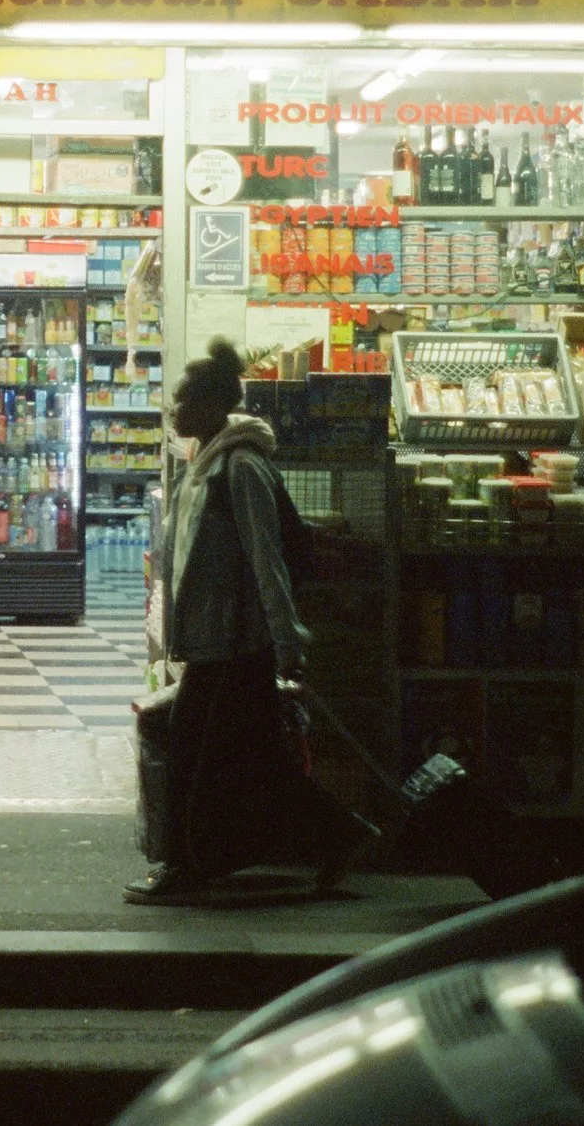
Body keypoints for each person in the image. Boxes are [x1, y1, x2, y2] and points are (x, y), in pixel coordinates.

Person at [127, 338, 366, 905]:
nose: (173, 410)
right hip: (216, 643)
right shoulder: (203, 466)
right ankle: (342, 835)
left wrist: (287, 639)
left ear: (210, 408)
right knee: (257, 762)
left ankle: (186, 870)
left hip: (239, 645)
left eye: (182, 400)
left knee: (194, 758)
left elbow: (267, 560)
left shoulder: (241, 469)